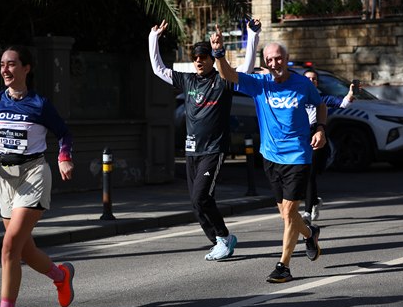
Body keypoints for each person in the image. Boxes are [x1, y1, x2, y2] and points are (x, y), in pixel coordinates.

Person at [0, 45, 75, 307]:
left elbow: (64, 133)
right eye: (3, 64)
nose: (5, 70)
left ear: (26, 68)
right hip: (5, 178)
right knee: (25, 251)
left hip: (33, 174)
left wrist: (64, 158)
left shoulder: (40, 104)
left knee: (9, 247)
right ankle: (61, 276)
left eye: (12, 64)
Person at [210, 26, 327, 283]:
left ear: (287, 59)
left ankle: (284, 266)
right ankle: (310, 234)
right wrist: (218, 52)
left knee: (289, 213)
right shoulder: (260, 84)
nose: (275, 64)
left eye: (279, 58)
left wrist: (320, 128)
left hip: (298, 156)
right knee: (286, 214)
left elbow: (320, 104)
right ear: (265, 62)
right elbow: (228, 75)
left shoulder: (303, 84)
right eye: (270, 60)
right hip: (270, 157)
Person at [149, 19, 261, 261]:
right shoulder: (187, 80)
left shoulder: (223, 79)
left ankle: (223, 237)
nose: (199, 61)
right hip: (192, 150)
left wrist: (252, 35)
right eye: (195, 58)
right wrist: (153, 39)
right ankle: (220, 240)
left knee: (201, 196)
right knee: (196, 201)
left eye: (203, 57)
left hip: (214, 149)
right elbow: (159, 69)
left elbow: (248, 67)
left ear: (211, 59)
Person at [301, 68, 355, 223]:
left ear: (317, 83)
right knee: (302, 175)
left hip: (316, 138)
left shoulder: (322, 98)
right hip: (299, 139)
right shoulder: (296, 97)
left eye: (314, 79)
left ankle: (306, 213)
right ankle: (314, 201)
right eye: (308, 79)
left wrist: (351, 93)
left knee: (310, 173)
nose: (311, 81)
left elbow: (343, 103)